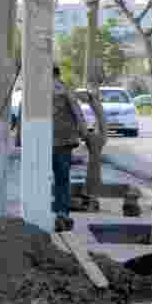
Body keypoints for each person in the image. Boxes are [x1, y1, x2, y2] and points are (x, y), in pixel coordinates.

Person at [52, 65, 89, 232]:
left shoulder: (36, 89)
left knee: (41, 178)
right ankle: (62, 214)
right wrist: (84, 133)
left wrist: (20, 139)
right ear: (58, 74)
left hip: (42, 142)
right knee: (62, 179)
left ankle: (45, 212)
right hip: (64, 142)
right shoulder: (65, 89)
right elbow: (77, 111)